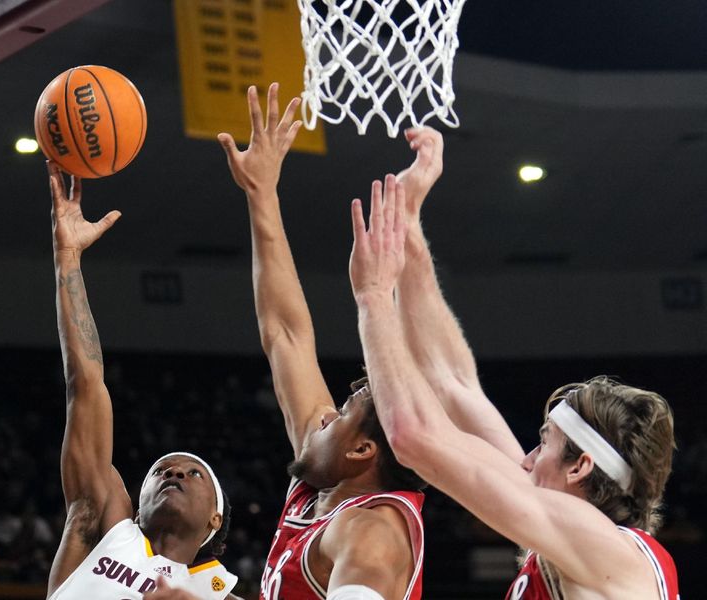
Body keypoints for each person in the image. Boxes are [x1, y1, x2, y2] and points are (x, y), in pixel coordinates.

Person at [348, 161, 680, 599]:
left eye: (545, 444)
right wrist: (407, 226)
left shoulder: (602, 545)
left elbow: (414, 437)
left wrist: (373, 297)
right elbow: (453, 382)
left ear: (580, 467)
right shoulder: (571, 532)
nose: (525, 460)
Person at [217, 83, 426, 600]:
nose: (325, 413)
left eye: (342, 414)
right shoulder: (321, 488)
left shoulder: (371, 534)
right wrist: (262, 196)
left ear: (362, 449)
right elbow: (286, 336)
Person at [45, 161, 238, 600]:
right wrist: (68, 260)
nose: (175, 474)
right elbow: (85, 383)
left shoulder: (218, 596)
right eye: (161, 470)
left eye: (194, 474)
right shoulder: (101, 527)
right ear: (137, 499)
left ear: (215, 519)